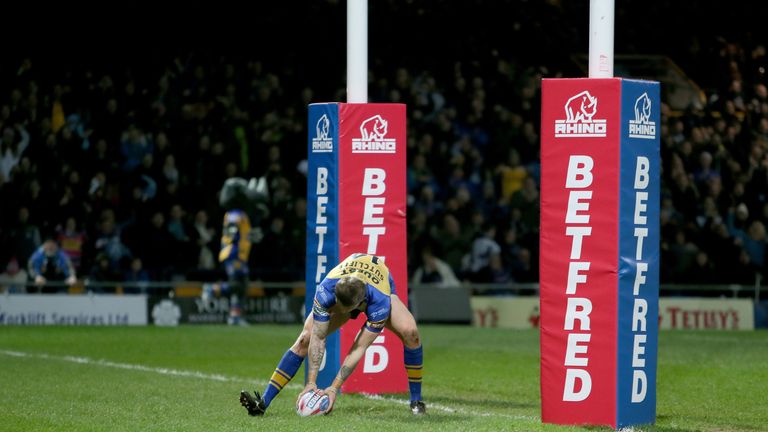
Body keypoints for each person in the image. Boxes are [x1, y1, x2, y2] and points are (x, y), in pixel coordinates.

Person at [240, 253, 426, 416]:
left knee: (411, 333)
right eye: (336, 305)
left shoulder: (379, 303)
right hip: (350, 286)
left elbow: (359, 347)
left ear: (358, 304)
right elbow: (318, 337)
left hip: (379, 283)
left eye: (342, 309)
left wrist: (334, 388)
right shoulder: (326, 291)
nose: (336, 310)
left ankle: (416, 400)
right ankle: (263, 403)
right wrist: (311, 383)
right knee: (305, 338)